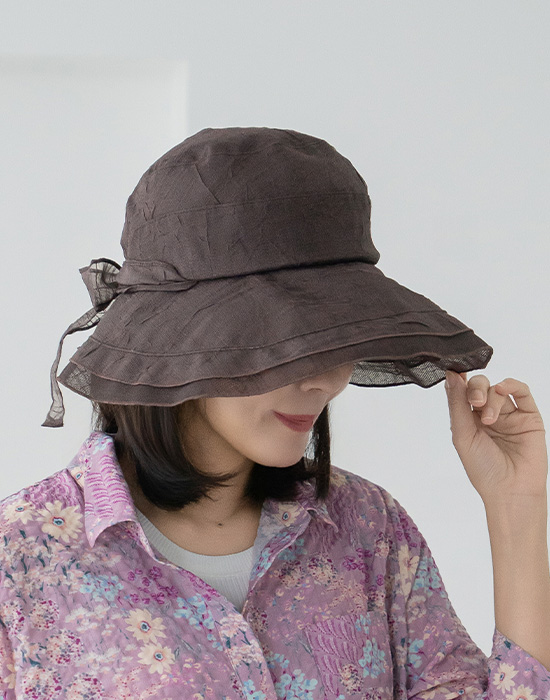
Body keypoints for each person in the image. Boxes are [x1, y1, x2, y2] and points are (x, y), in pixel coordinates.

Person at [0, 127, 548, 699]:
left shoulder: (369, 529)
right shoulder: (21, 557)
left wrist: (516, 505)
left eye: (333, 339)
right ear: (182, 340)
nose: (324, 379)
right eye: (281, 340)